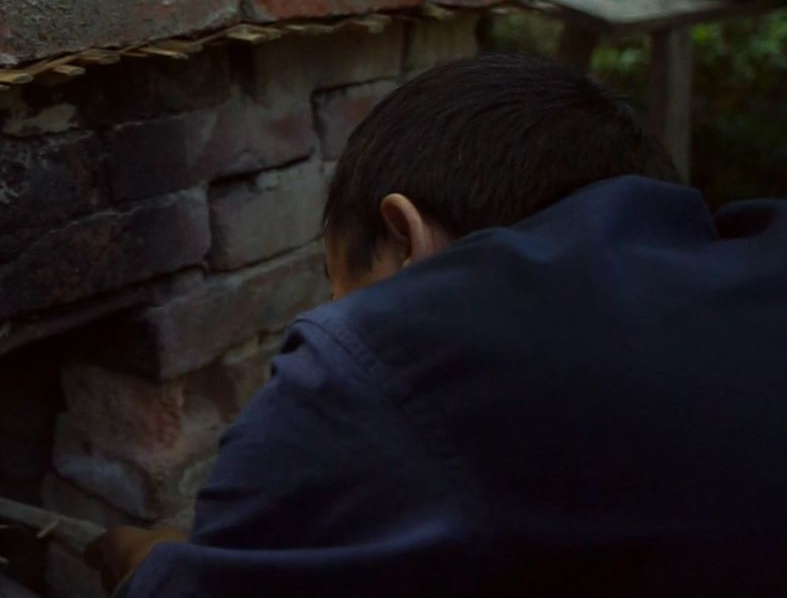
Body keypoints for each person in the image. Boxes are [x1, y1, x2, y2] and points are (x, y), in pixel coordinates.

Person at [85, 53, 787, 596]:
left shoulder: (393, 354)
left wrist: (156, 567)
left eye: (345, 291)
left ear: (403, 235)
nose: (336, 321)